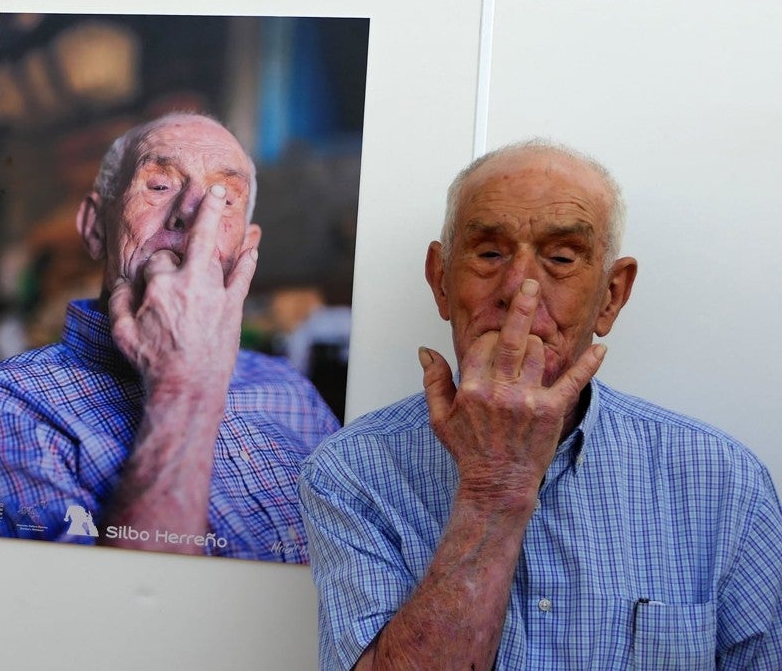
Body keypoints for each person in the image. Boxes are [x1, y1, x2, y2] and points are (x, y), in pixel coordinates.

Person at [300, 140, 782, 669]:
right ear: (441, 280)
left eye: (560, 258)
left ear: (612, 295)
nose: (518, 289)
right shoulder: (352, 471)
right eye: (489, 253)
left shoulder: (724, 482)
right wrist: (494, 486)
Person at [0, 113, 341, 562]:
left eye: (225, 199)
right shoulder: (3, 406)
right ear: (95, 227)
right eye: (159, 186)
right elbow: (107, 620)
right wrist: (183, 382)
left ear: (247, 245)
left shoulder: (296, 397)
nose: (192, 213)